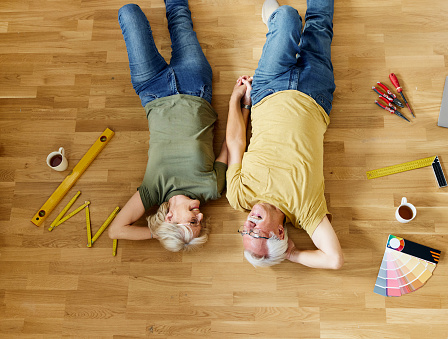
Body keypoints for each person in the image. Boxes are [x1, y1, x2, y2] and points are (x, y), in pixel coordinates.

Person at [225, 0, 344, 268]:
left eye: (245, 232)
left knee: (288, 17)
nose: (248, 225)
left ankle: (275, 25)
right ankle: (278, 27)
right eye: (257, 233)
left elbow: (235, 141)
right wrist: (292, 254)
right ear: (280, 233)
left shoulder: (239, 196)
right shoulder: (305, 210)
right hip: (316, 93)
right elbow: (335, 260)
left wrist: (238, 101)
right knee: (320, 24)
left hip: (268, 89)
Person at [108, 0, 227, 252]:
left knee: (129, 13)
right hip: (196, 86)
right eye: (201, 224)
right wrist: (242, 104)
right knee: (179, 16)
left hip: (152, 91)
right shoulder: (211, 188)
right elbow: (231, 145)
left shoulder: (153, 191)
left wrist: (160, 233)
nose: (201, 217)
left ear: (171, 218)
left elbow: (116, 231)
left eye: (193, 222)